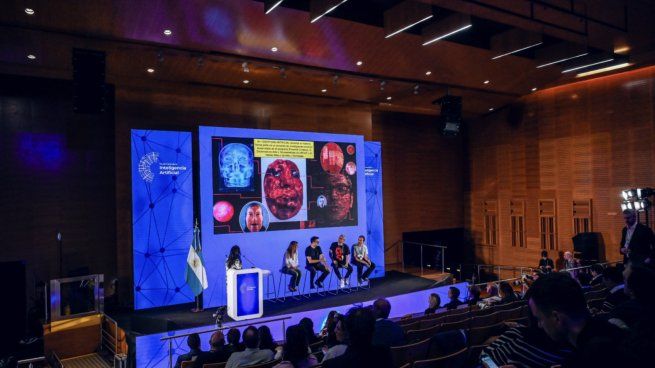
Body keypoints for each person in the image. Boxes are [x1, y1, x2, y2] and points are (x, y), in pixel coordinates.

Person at [528, 272, 626, 368]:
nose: (539, 325)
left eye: (539, 319)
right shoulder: (609, 330)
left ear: (556, 317)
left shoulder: (594, 356)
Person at [323, 307, 393, 368]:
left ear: (348, 333)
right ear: (373, 329)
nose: (335, 330)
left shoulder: (331, 365)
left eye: (338, 328)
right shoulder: (385, 354)